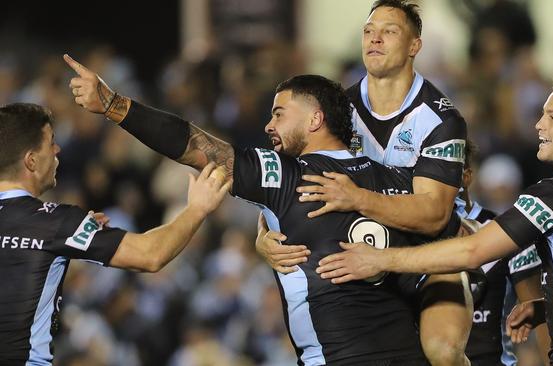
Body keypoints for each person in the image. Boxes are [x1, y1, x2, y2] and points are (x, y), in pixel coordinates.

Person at [65, 55, 434, 365]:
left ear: (315, 119)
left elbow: (195, 146)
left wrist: (114, 106)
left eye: (279, 114)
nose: (268, 125)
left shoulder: (287, 175)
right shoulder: (399, 180)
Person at [316, 70, 553, 365]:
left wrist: (380, 259)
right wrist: (552, 307)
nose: (539, 124)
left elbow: (471, 252)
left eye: (552, 116)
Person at [257, 1, 473, 363]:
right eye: (369, 31)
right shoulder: (339, 109)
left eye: (389, 32)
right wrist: (261, 239)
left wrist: (357, 198)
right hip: (355, 257)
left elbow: (434, 215)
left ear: (414, 46)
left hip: (426, 255)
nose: (375, 39)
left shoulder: (441, 119)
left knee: (443, 351)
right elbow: (289, 182)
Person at [0, 103, 230, 366]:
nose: (57, 150)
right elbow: (150, 255)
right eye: (51, 142)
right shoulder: (57, 222)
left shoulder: (59, 225)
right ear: (31, 160)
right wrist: (197, 209)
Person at [458, 142, 550, 365]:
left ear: (466, 177)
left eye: (443, 173)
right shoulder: (414, 235)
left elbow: (538, 313)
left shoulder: (509, 233)